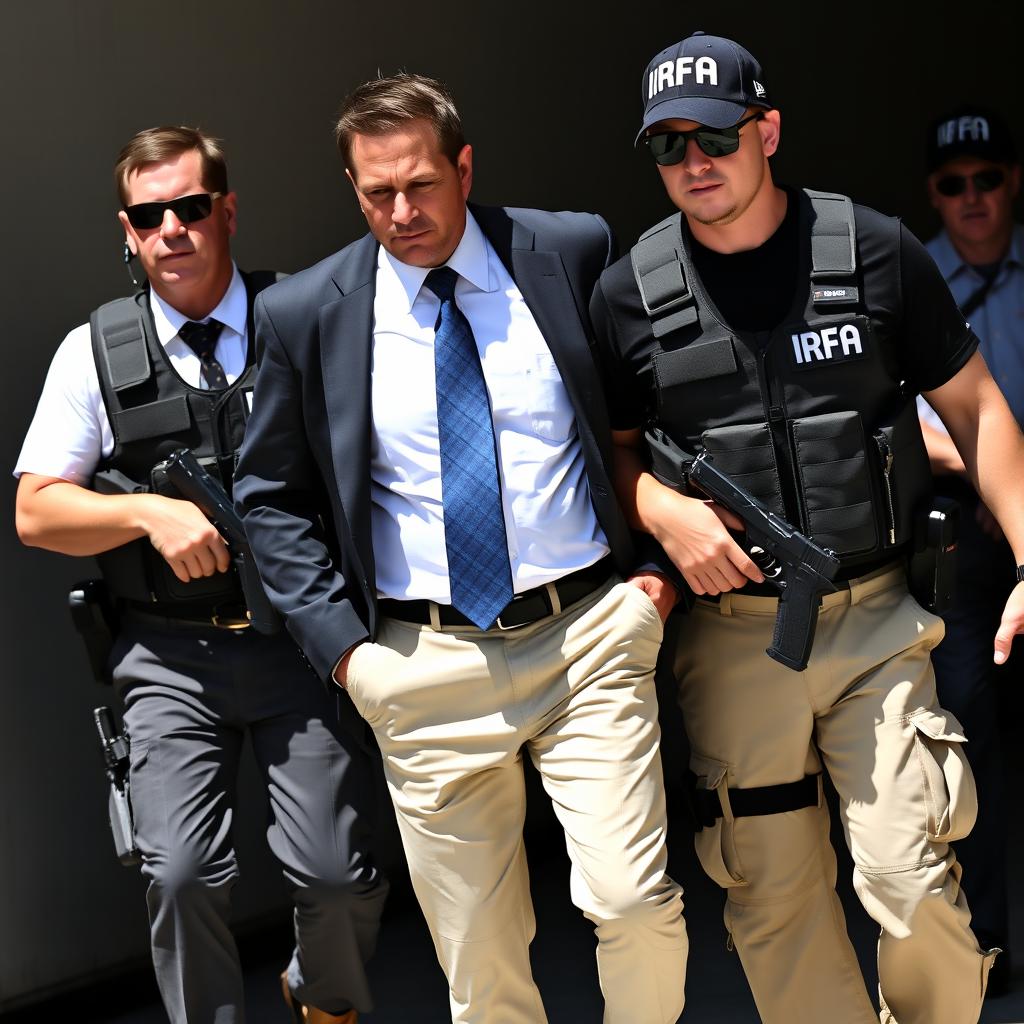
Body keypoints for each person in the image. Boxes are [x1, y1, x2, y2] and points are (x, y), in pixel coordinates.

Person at [233, 73, 687, 1024]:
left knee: (635, 903)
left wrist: (652, 574)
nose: (401, 212)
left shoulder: (567, 250)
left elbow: (646, 416)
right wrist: (350, 655)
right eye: (376, 194)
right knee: (480, 964)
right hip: (423, 663)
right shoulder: (308, 312)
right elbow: (269, 496)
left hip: (588, 636)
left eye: (421, 185)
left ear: (464, 166)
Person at [590, 31, 1024, 1024]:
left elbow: (980, 412)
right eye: (667, 147)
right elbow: (607, 450)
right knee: (774, 898)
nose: (694, 162)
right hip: (737, 638)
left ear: (767, 129)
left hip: (877, 616)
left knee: (915, 887)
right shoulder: (627, 293)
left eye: (716, 137)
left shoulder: (873, 249)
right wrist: (659, 508)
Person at [14, 126, 386, 1024]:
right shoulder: (93, 351)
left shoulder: (301, 315)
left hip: (299, 643)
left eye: (189, 207)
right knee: (179, 876)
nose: (171, 229)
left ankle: (323, 998)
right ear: (129, 231)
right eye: (151, 215)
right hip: (169, 657)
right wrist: (147, 511)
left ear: (226, 211)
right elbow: (35, 511)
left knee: (341, 878)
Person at [916, 106, 1021, 996]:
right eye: (954, 184)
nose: (973, 197)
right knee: (967, 738)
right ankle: (988, 943)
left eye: (987, 178)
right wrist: (998, 488)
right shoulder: (912, 276)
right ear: (934, 195)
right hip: (964, 533)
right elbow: (905, 425)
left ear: (1012, 181)